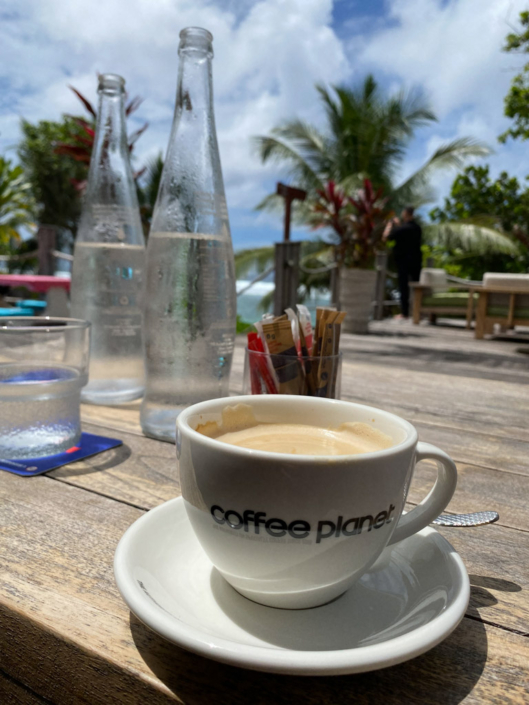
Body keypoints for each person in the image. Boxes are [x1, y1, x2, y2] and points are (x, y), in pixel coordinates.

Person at [383, 206, 422, 319]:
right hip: (416, 261)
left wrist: (390, 225)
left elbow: (386, 237)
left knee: (403, 287)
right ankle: (417, 312)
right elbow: (404, 232)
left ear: (406, 214)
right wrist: (399, 225)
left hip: (403, 262)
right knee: (416, 287)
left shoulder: (402, 229)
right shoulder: (417, 228)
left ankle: (405, 313)